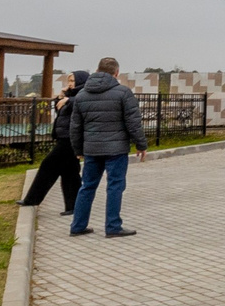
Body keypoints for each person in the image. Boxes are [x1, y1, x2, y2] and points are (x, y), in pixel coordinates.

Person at [65, 55, 146, 237]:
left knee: (87, 186)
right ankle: (113, 226)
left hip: (92, 149)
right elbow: (133, 123)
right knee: (115, 186)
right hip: (116, 149)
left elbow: (75, 127)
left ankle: (77, 226)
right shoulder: (123, 93)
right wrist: (141, 144)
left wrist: (78, 150)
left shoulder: (82, 95)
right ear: (116, 72)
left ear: (97, 71)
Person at [19, 72, 85, 216]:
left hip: (70, 138)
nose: (70, 83)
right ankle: (74, 206)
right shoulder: (70, 96)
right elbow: (61, 112)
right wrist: (61, 97)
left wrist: (68, 100)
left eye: (73, 80)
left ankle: (32, 199)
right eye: (69, 81)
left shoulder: (82, 95)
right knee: (69, 173)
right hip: (64, 137)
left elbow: (83, 103)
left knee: (48, 166)